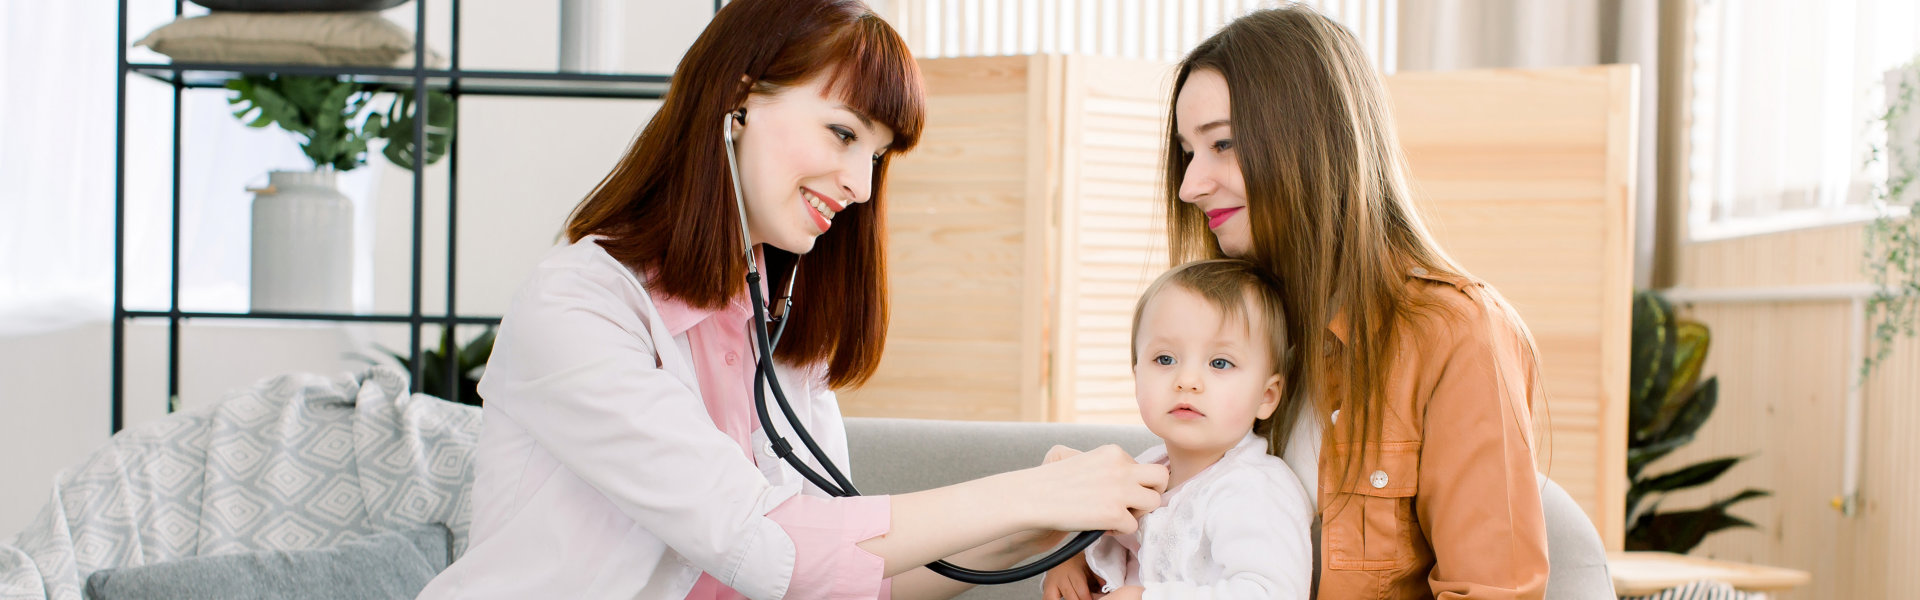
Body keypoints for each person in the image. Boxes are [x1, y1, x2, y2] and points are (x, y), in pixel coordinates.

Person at [415, 1, 1167, 598]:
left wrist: (1037, 520)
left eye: (875, 156)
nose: (861, 186)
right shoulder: (579, 307)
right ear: (738, 101)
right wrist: (1026, 491)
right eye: (842, 133)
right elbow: (775, 548)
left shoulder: (773, 329)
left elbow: (838, 580)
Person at [1161, 5, 1550, 599]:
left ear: (1314, 143)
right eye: (1189, 153)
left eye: (1224, 145)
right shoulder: (1250, 328)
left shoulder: (1459, 333)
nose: (1191, 186)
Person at [1040, 259, 1313, 600]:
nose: (1187, 381)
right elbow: (1111, 539)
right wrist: (1075, 561)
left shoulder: (1254, 489)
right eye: (1165, 359)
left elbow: (1271, 593)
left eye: (1220, 363)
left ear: (1266, 396)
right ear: (1137, 374)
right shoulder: (1144, 469)